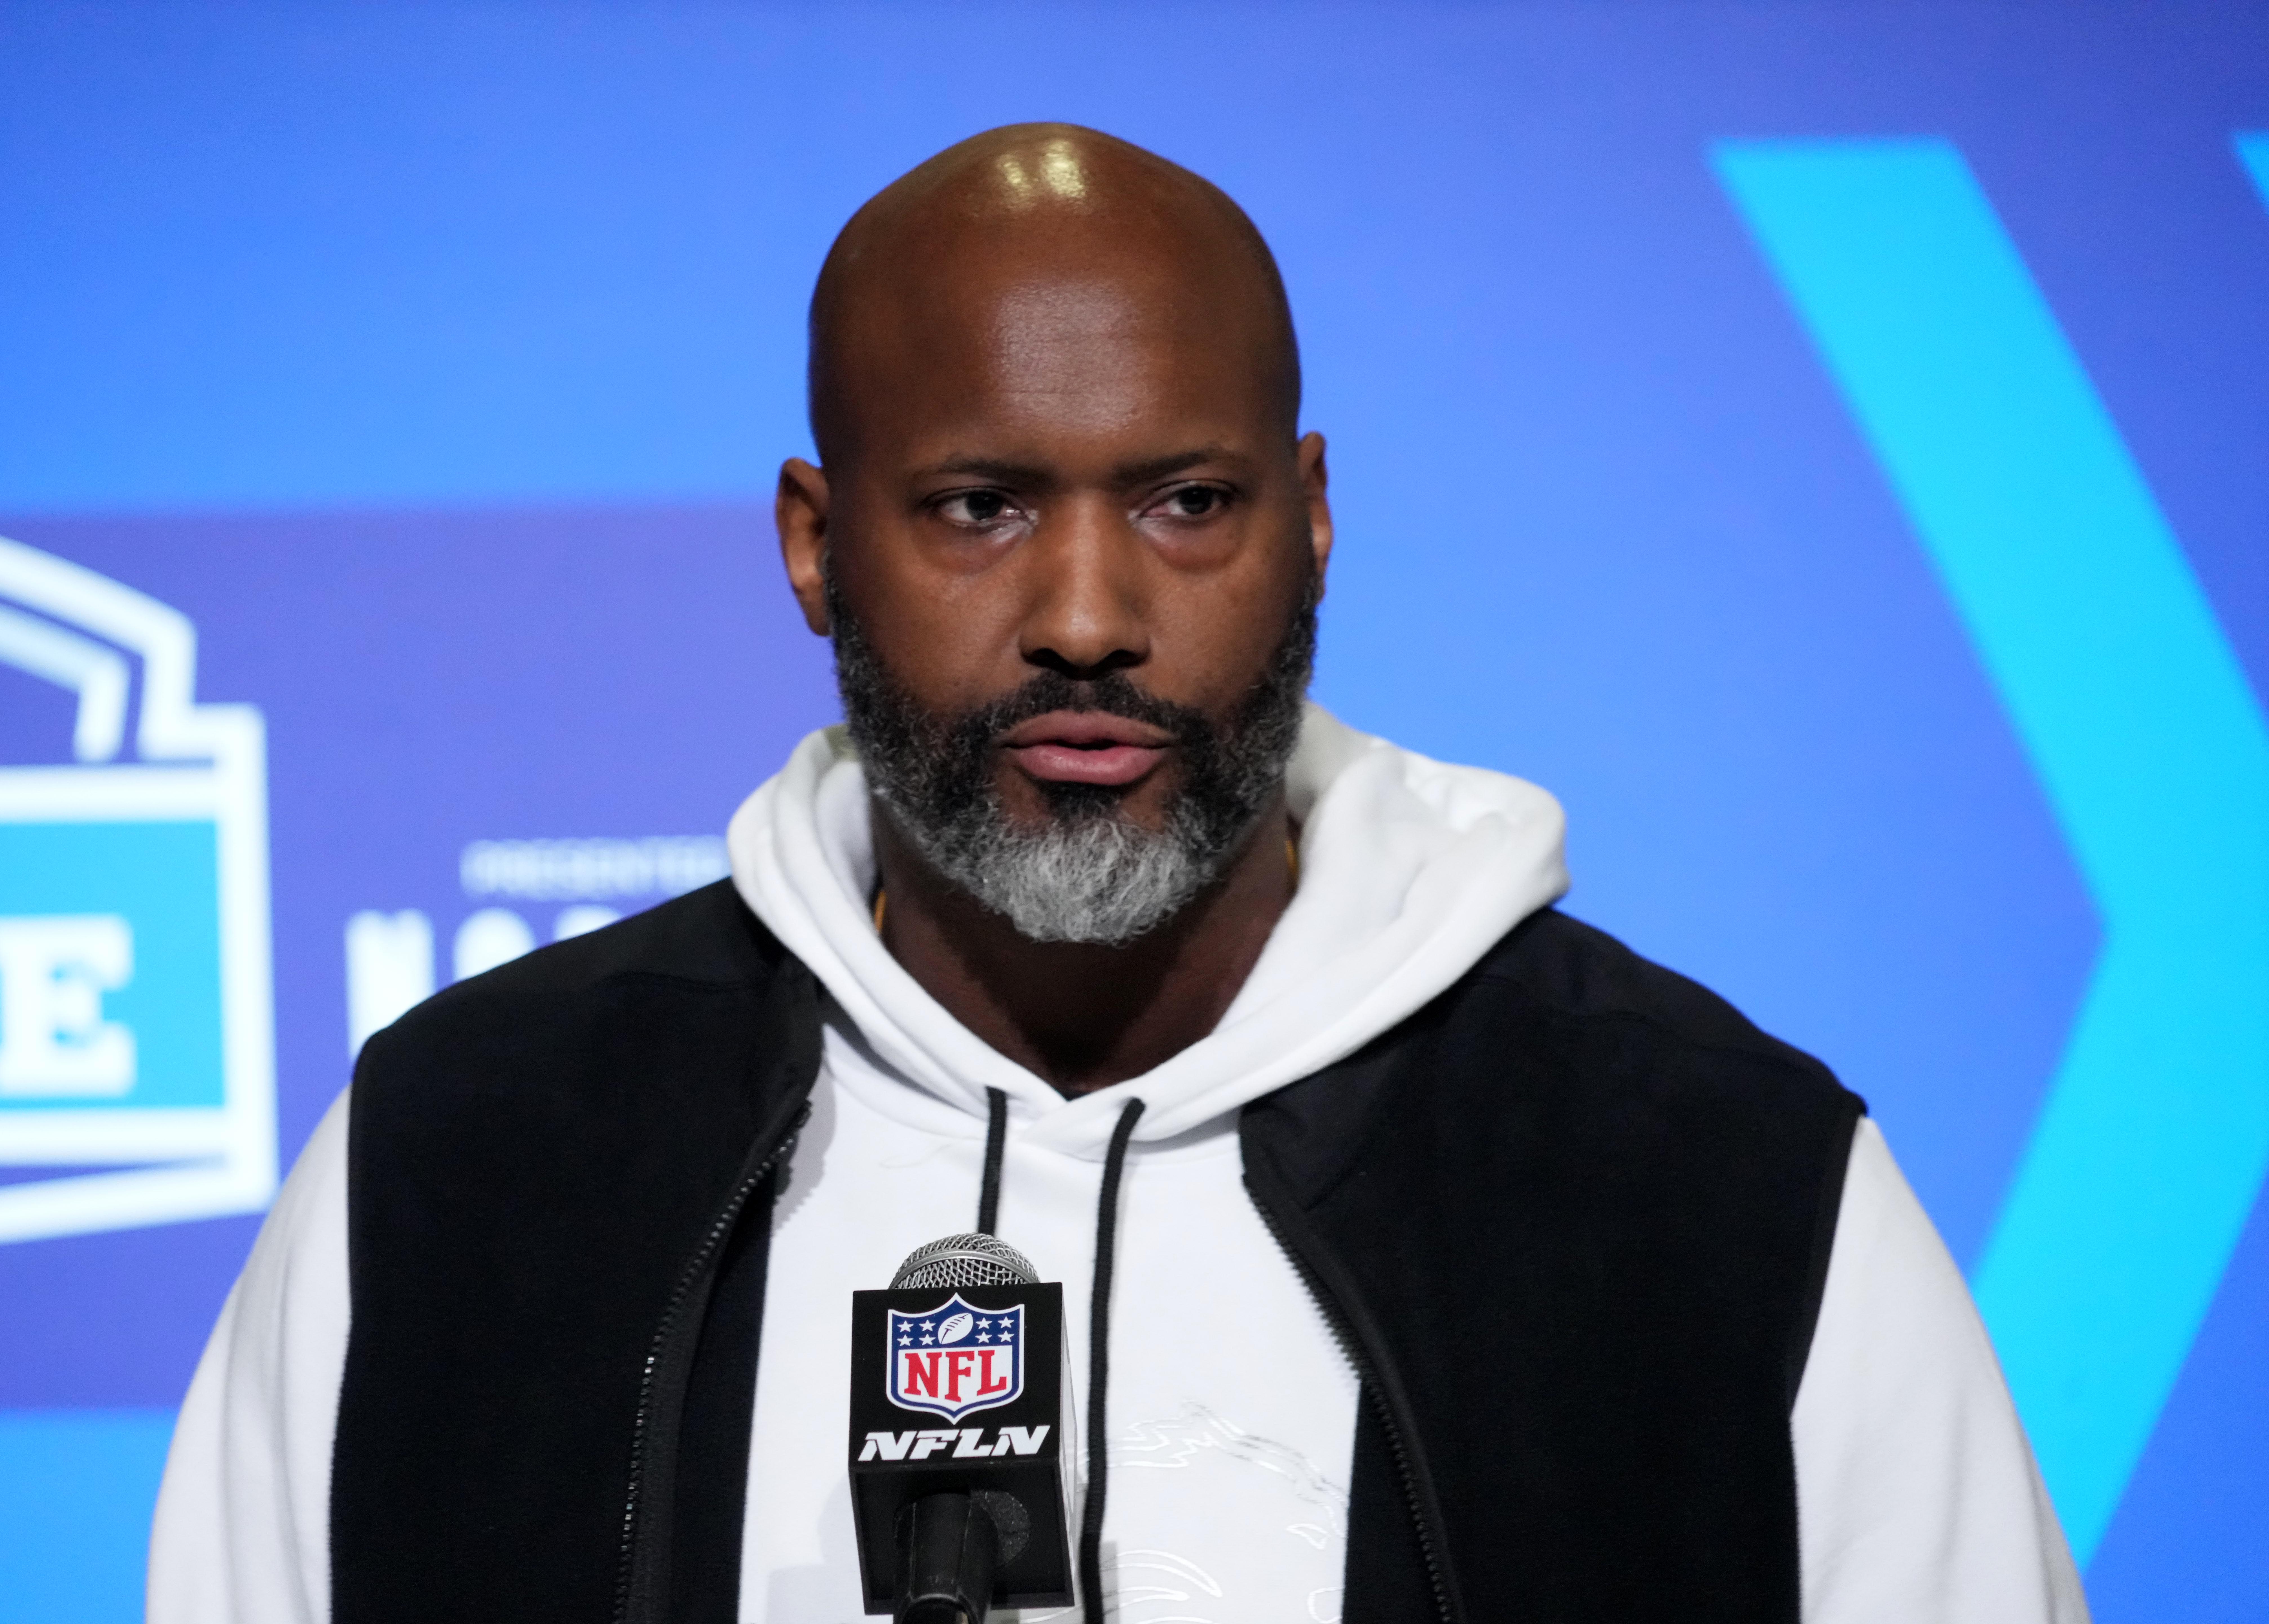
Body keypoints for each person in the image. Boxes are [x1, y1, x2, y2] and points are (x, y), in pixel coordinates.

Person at [150, 124, 2088, 1624]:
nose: (1089, 615)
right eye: (980, 508)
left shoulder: (1723, 1189)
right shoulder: (466, 1162)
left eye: (1187, 503)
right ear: (817, 544)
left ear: (1314, 520)